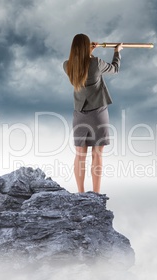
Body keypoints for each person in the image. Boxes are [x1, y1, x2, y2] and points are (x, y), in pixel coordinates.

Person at [63, 34, 123, 193]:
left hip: (79, 114)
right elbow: (115, 68)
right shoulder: (96, 63)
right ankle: (96, 194)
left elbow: (81, 63)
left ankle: (80, 193)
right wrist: (117, 51)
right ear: (86, 46)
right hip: (98, 113)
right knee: (97, 154)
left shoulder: (67, 66)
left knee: (80, 155)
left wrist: (88, 52)